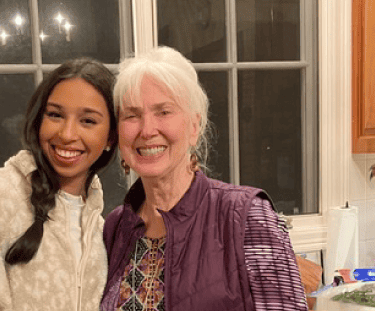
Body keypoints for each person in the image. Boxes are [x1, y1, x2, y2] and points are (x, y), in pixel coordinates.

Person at [100, 47, 308, 311]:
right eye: (132, 115)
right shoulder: (116, 227)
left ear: (194, 127)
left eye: (164, 112)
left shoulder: (248, 217)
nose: (147, 129)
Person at [0, 58, 118, 311]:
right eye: (55, 115)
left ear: (111, 137)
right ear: (38, 121)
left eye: (88, 121)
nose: (67, 134)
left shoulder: (98, 228)